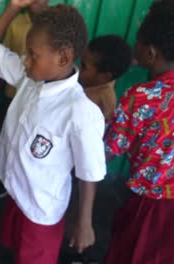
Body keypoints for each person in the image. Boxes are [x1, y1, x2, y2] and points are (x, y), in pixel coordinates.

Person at [0, 1, 106, 263]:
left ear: (63, 57)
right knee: (15, 250)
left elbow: (89, 172)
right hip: (17, 192)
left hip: (41, 212)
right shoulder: (30, 79)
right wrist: (13, 8)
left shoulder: (80, 111)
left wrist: (85, 223)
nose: (25, 61)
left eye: (33, 54)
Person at [104, 1, 174, 263]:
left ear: (151, 53)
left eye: (137, 42)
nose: (134, 48)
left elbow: (108, 149)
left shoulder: (140, 97)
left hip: (150, 207)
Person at [0, 0, 50, 199]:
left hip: (39, 99)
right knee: (4, 131)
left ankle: (20, 179)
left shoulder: (55, 25)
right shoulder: (16, 23)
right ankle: (4, 177)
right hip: (13, 91)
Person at [79, 35, 132, 121]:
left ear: (104, 77)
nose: (78, 68)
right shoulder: (101, 82)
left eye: (83, 66)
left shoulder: (100, 100)